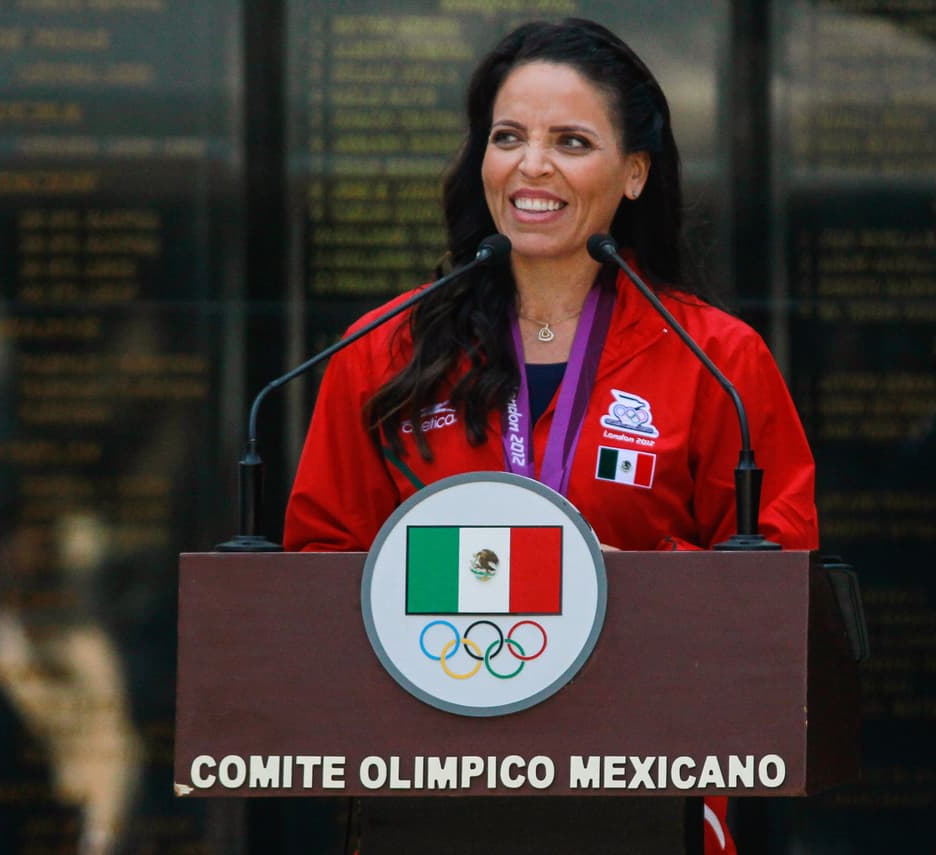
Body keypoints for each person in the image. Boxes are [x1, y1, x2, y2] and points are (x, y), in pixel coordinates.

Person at [284, 18, 818, 853]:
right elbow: (319, 560)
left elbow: (778, 582)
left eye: (571, 141)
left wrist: (608, 590)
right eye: (508, 137)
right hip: (433, 783)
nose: (532, 166)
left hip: (647, 783)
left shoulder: (715, 359)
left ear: (634, 174)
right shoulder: (381, 353)